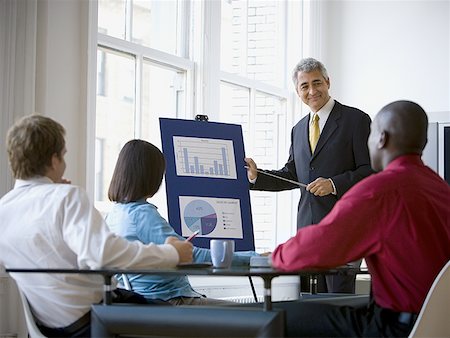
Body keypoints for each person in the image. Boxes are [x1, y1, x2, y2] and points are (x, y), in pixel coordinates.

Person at [0, 114, 193, 337]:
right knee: (196, 324)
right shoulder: (66, 197)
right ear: (54, 160)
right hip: (99, 321)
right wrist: (171, 254)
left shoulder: (4, 210)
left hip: (52, 329)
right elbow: (103, 255)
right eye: (63, 156)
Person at [270, 100, 450, 337]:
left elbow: (321, 247)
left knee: (277, 315)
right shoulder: (441, 189)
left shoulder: (379, 191)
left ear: (382, 138)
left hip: (397, 328)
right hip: (436, 324)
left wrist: (276, 255)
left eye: (371, 133)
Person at [245, 57, 373, 293]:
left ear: (327, 82)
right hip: (308, 229)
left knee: (338, 301)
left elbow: (370, 171)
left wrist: (334, 184)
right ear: (297, 91)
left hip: (344, 227)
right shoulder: (298, 129)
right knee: (309, 301)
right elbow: (292, 173)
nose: (312, 91)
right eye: (305, 86)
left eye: (317, 83)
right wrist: (257, 176)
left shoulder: (357, 120)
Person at [106, 139, 258, 305]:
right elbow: (190, 255)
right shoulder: (142, 214)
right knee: (258, 315)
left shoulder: (113, 215)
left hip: (149, 301)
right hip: (171, 301)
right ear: (150, 176)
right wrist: (254, 259)